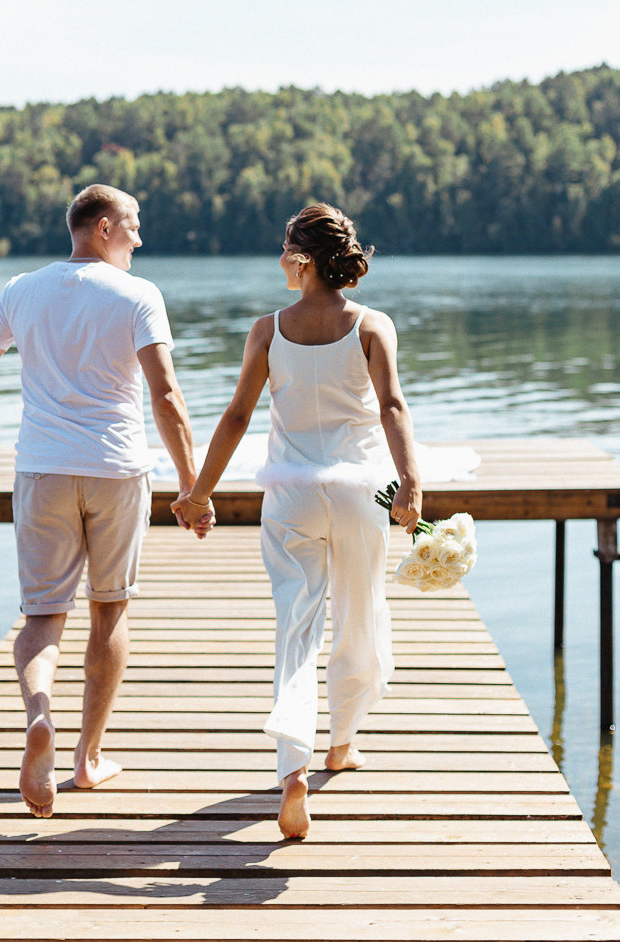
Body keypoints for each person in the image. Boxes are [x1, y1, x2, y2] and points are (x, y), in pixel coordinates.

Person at [0, 184, 209, 819]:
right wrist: (191, 486)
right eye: (132, 225)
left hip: (43, 471)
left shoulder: (21, 290)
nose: (139, 238)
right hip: (116, 470)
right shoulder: (138, 295)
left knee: (42, 618)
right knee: (109, 610)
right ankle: (87, 760)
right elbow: (166, 396)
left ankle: (39, 716)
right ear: (102, 228)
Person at [173, 203, 421, 839]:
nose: (280, 259)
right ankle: (342, 744)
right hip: (361, 492)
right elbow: (392, 406)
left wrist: (199, 494)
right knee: (360, 615)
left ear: (303, 258)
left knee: (297, 629)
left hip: (291, 498)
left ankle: (294, 773)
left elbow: (237, 416)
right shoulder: (372, 325)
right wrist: (411, 483)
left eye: (285, 248)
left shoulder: (268, 330)